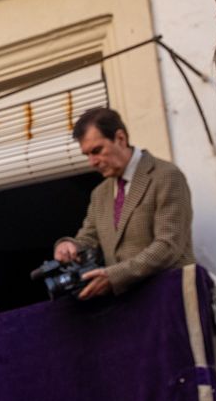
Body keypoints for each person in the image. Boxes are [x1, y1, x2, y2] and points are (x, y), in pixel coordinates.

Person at [52, 106, 194, 299]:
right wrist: (69, 245)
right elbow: (88, 239)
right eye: (87, 155)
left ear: (120, 138)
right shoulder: (99, 194)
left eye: (97, 150)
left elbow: (168, 246)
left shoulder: (166, 176)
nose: (92, 162)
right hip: (127, 307)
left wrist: (114, 276)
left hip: (170, 298)